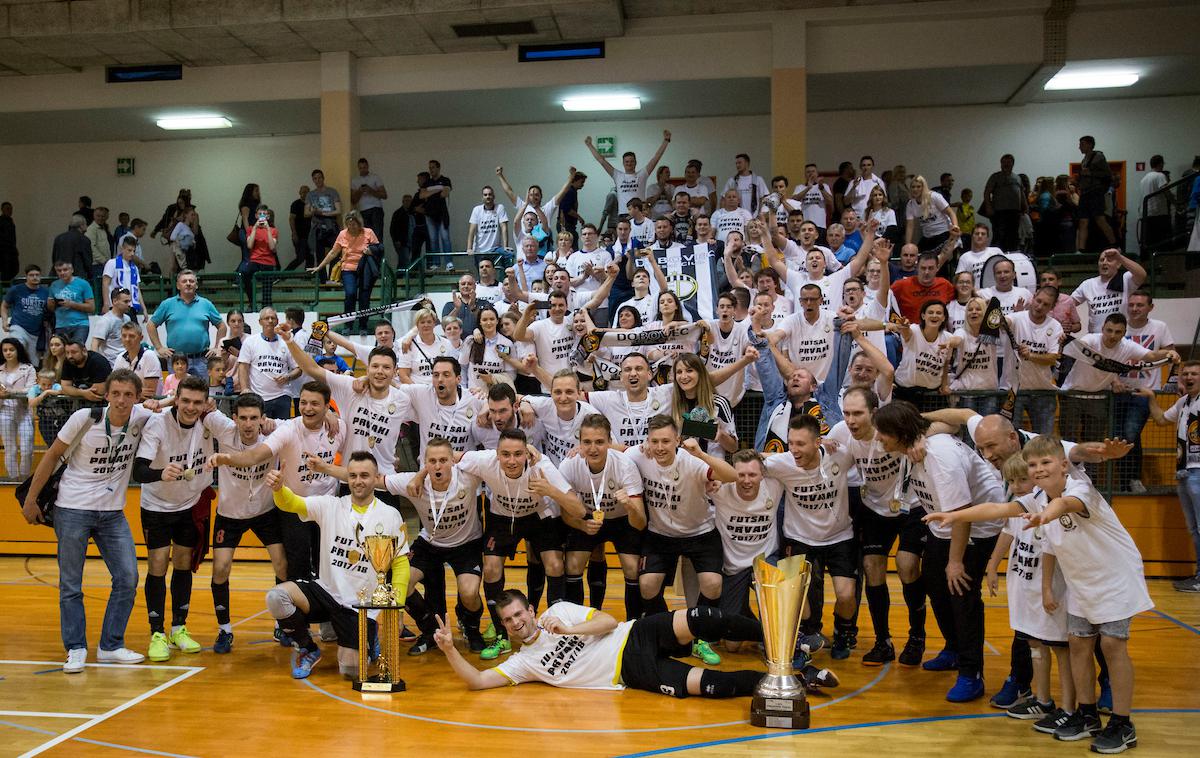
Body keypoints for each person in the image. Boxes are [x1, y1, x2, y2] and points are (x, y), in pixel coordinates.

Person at [925, 436, 1152, 753]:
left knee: (1113, 645)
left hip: (1115, 578)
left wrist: (1046, 516)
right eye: (1033, 465)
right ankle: (1086, 715)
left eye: (1046, 463)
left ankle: (1122, 724)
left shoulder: (1078, 489)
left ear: (1063, 465)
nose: (1039, 469)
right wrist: (954, 517)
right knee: (1078, 645)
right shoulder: (1035, 499)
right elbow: (998, 508)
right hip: (1081, 582)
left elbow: (1064, 506)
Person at [873, 401, 1006, 703]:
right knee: (934, 583)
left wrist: (956, 562)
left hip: (976, 527)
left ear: (900, 432)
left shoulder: (939, 458)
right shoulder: (915, 441)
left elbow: (962, 513)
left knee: (961, 595)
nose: (878, 438)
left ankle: (972, 673)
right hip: (944, 526)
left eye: (883, 433)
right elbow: (945, 424)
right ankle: (954, 648)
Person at [20, 369, 151, 671]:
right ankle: (76, 647)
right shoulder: (85, 419)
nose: (121, 400)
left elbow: (175, 407)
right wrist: (30, 500)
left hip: (112, 512)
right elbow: (52, 457)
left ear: (137, 397)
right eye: (115, 393)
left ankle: (111, 644)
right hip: (73, 508)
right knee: (71, 584)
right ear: (106, 395)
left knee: (128, 578)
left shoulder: (142, 418)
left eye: (128, 394)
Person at [433, 587, 764, 698]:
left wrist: (567, 629)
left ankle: (772, 634)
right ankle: (790, 683)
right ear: (503, 625)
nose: (517, 622)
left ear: (531, 610)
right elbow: (477, 681)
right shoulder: (523, 663)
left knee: (704, 618)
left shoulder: (560, 611)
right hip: (632, 670)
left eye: (520, 613)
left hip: (635, 633)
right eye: (508, 620)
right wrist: (449, 648)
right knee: (711, 686)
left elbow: (608, 622)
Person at [264, 452, 409, 679]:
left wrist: (396, 608)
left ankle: (368, 641)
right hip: (327, 592)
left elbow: (400, 564)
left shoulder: (390, 515)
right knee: (276, 597)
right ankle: (308, 648)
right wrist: (279, 489)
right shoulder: (330, 505)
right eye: (352, 476)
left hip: (359, 605)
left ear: (376, 478)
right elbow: (291, 503)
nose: (358, 481)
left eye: (364, 475)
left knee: (350, 672)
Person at [458, 428, 582, 660]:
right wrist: (421, 473)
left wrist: (551, 491)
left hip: (538, 516)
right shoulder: (483, 460)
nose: (512, 460)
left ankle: (556, 632)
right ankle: (502, 636)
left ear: (527, 453)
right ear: (496, 454)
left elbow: (579, 509)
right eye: (506, 454)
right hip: (502, 517)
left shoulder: (541, 465)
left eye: (518, 454)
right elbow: (449, 456)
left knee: (555, 565)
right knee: (491, 567)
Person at [209, 380, 344, 590]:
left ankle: (323, 618)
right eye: (304, 403)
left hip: (323, 507)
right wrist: (225, 458)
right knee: (295, 569)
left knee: (325, 566)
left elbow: (354, 461)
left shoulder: (337, 427)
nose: (308, 408)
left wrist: (330, 414)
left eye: (316, 404)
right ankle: (293, 621)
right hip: (290, 506)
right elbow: (253, 455)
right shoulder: (286, 429)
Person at [627, 415, 737, 665]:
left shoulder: (692, 461)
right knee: (647, 586)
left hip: (700, 532)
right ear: (647, 441)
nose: (660, 447)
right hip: (661, 534)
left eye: (666, 441)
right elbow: (613, 451)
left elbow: (731, 476)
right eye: (654, 441)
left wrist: (703, 456)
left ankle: (701, 639)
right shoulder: (639, 455)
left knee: (712, 584)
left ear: (677, 439)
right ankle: (669, 632)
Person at [132, 375, 221, 662]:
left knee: (183, 565)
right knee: (158, 565)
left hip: (189, 504)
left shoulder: (209, 423)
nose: (191, 407)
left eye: (197, 402)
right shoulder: (158, 424)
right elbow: (139, 471)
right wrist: (161, 473)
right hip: (156, 505)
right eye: (185, 401)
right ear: (176, 398)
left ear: (205, 402)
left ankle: (179, 628)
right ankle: (156, 632)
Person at [379, 438, 487, 653]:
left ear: (453, 461)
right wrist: (325, 469)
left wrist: (530, 449)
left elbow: (497, 457)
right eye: (433, 461)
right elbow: (371, 479)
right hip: (430, 543)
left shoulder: (468, 477)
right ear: (425, 464)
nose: (438, 466)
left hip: (467, 543)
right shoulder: (413, 482)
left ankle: (471, 628)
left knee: (468, 592)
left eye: (443, 460)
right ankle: (430, 630)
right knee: (399, 582)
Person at [765, 414, 859, 659]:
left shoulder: (841, 455)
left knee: (847, 595)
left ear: (818, 442)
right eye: (791, 443)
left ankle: (842, 631)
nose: (794, 450)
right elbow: (752, 464)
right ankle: (806, 636)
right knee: (797, 597)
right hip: (799, 538)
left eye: (800, 444)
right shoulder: (782, 463)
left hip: (839, 536)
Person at [205, 393, 288, 653]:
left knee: (282, 564)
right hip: (229, 513)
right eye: (243, 418)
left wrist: (330, 415)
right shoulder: (223, 428)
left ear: (263, 419)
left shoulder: (275, 433)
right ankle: (224, 629)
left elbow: (308, 421)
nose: (249, 424)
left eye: (254, 418)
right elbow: (198, 403)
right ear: (234, 419)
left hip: (265, 511)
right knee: (221, 568)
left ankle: (282, 624)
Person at [558, 413, 646, 616]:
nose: (593, 448)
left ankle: (632, 624)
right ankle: (578, 620)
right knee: (572, 564)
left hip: (622, 519)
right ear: (579, 443)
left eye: (599, 442)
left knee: (632, 568)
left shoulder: (625, 465)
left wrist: (630, 507)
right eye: (587, 442)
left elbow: (640, 523)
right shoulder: (569, 465)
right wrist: (581, 525)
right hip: (588, 518)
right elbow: (564, 512)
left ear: (609, 442)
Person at [1141, 360, 1200, 592]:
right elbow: (1161, 420)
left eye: (1194, 373)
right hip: (1184, 471)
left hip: (1198, 471)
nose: (1188, 377)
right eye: (1185, 373)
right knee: (1194, 528)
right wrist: (1150, 398)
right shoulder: (1184, 402)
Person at [1114, 290, 1174, 493]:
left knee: (1131, 433)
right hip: (1118, 390)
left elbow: (1170, 354)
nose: (1134, 309)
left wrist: (1171, 382)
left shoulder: (1159, 327)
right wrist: (1113, 379)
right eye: (1131, 305)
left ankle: (1133, 478)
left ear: (1150, 307)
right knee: (1119, 437)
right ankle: (1126, 481)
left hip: (1145, 392)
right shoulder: (1120, 327)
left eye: (1139, 305)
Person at [311, 210, 381, 335]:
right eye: (349, 224)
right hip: (348, 269)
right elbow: (333, 252)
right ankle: (348, 325)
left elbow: (379, 248)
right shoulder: (342, 234)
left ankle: (363, 326)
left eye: (354, 224)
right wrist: (319, 267)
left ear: (359, 223)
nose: (352, 227)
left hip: (365, 270)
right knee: (350, 294)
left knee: (364, 298)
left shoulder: (368, 232)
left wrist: (371, 250)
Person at [146, 269, 227, 378]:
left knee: (201, 392)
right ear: (178, 285)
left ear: (196, 285)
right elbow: (151, 325)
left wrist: (217, 348)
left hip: (201, 360)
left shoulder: (206, 304)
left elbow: (222, 326)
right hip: (177, 361)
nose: (188, 284)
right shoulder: (167, 304)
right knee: (177, 392)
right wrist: (159, 348)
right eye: (184, 281)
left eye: (191, 281)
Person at [237, 307, 301, 419]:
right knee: (261, 433)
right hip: (259, 397)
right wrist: (244, 389)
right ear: (260, 322)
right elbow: (243, 366)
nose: (270, 321)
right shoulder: (251, 342)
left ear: (277, 321)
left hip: (283, 396)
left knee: (281, 433)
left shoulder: (286, 342)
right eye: (267, 318)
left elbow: (299, 369)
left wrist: (288, 377)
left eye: (273, 318)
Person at [585, 130, 671, 211]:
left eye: (631, 161)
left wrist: (666, 140)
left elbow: (656, 158)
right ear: (623, 163)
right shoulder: (617, 175)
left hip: (639, 213)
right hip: (623, 214)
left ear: (635, 162)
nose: (629, 163)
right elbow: (602, 160)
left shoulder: (642, 175)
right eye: (626, 162)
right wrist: (590, 145)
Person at [890, 243, 957, 324]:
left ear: (937, 268)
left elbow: (962, 297)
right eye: (923, 268)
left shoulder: (945, 285)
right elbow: (884, 300)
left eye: (931, 268)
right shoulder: (901, 285)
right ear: (917, 267)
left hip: (938, 332)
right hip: (909, 332)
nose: (926, 272)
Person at [0, 337, 36, 478]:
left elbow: (31, 389)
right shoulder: (0, 370)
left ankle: (25, 477)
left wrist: (11, 393)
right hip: (4, 412)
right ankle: (13, 479)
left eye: (11, 349)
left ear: (18, 350)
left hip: (24, 412)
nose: (8, 353)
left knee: (27, 448)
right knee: (10, 448)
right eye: (5, 350)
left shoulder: (28, 368)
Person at [2, 264, 48, 365]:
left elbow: (49, 310)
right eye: (31, 275)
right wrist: (4, 321)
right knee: (16, 348)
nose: (35, 277)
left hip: (36, 331)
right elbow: (4, 305)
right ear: (26, 276)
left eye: (37, 275)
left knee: (33, 363)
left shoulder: (45, 292)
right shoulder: (16, 289)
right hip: (18, 326)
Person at [1076, 135, 1116, 251]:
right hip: (1085, 192)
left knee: (1099, 219)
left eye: (1082, 144)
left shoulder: (1098, 156)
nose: (1079, 147)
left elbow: (1107, 175)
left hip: (1095, 192)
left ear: (1090, 144)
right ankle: (1081, 249)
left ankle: (1114, 244)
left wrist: (1090, 173)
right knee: (1083, 221)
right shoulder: (1084, 160)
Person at [983, 154, 1028, 251]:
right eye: (1004, 162)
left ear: (1013, 164)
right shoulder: (995, 177)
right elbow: (987, 192)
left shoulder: (1017, 178)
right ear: (1001, 164)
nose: (1006, 164)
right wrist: (988, 207)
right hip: (1000, 212)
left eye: (1009, 162)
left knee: (1013, 236)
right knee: (999, 236)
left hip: (1014, 212)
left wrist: (1025, 206)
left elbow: (1021, 192)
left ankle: (1011, 256)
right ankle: (996, 256)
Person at [47, 259, 94, 346]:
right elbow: (51, 308)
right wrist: (51, 303)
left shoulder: (83, 284)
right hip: (61, 324)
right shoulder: (54, 285)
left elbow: (91, 307)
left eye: (65, 270)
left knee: (76, 349)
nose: (62, 273)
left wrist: (72, 304)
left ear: (72, 270)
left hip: (80, 324)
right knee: (61, 352)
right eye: (59, 271)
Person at [906, 175, 958, 252]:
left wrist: (955, 227)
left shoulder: (934, 197)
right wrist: (907, 245)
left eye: (918, 187)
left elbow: (950, 212)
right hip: (927, 236)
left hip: (943, 233)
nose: (915, 189)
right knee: (919, 256)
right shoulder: (910, 204)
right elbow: (910, 226)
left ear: (923, 188)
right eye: (913, 187)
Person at [305, 169, 342, 272]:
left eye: (319, 177)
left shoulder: (332, 191)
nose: (318, 180)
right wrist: (313, 211)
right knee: (320, 255)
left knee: (336, 252)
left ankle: (333, 278)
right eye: (315, 178)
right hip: (318, 228)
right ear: (313, 180)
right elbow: (306, 213)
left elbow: (338, 210)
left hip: (332, 226)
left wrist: (322, 213)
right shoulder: (310, 195)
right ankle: (322, 281)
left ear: (323, 178)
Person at [242, 204, 279, 308]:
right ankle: (252, 302)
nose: (262, 216)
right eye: (260, 214)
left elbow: (272, 247)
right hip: (255, 260)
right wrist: (255, 228)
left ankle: (266, 307)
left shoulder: (273, 230)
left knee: (267, 288)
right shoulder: (250, 229)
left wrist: (267, 229)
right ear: (256, 216)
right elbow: (249, 245)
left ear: (268, 217)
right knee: (245, 274)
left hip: (268, 261)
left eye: (265, 214)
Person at [112, 321, 161, 400]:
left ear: (141, 338)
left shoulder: (149, 356)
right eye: (124, 336)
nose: (127, 339)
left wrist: (124, 391)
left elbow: (149, 393)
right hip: (127, 402)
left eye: (131, 336)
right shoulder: (120, 357)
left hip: (148, 404)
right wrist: (136, 392)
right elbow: (114, 386)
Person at [424, 159, 454, 269]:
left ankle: (449, 262)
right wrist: (437, 190)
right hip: (430, 215)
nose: (431, 170)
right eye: (429, 168)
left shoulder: (445, 180)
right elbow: (422, 195)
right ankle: (436, 263)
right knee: (433, 240)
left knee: (445, 238)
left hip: (442, 214)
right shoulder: (427, 182)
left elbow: (445, 193)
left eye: (433, 167)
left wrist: (430, 192)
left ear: (438, 168)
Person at [102, 236, 143, 315]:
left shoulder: (134, 268)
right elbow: (105, 283)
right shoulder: (112, 263)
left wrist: (143, 308)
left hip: (130, 306)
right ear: (122, 249)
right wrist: (106, 303)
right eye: (129, 250)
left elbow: (137, 289)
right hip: (115, 305)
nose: (132, 253)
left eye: (134, 251)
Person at [91, 287, 132, 364]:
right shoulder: (105, 321)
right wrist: (97, 364)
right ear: (115, 301)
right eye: (126, 302)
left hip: (126, 361)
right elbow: (94, 344)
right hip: (110, 363)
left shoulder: (127, 319)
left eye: (130, 301)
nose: (129, 304)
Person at [1139, 155, 1172, 252]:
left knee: (1148, 242)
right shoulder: (1160, 176)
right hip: (1158, 213)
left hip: (1145, 214)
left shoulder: (1144, 179)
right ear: (1161, 163)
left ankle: (1148, 264)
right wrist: (1176, 203)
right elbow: (1166, 191)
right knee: (1161, 242)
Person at [465, 186, 509, 259]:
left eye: (490, 194)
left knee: (509, 254)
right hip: (480, 251)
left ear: (494, 196)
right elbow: (471, 231)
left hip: (495, 249)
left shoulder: (500, 208)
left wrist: (505, 246)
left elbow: (504, 228)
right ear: (482, 197)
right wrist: (469, 248)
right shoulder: (477, 210)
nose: (488, 196)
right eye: (485, 195)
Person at [350, 157, 388, 240]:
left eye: (364, 167)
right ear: (358, 168)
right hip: (363, 211)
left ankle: (377, 252)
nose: (363, 170)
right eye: (360, 168)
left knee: (377, 236)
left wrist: (371, 190)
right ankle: (369, 252)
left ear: (368, 167)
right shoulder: (355, 181)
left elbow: (384, 195)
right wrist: (359, 191)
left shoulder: (375, 177)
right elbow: (353, 201)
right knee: (366, 237)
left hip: (376, 209)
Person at [286, 185, 313, 271]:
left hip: (310, 236)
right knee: (300, 258)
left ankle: (307, 278)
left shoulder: (311, 205)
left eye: (307, 192)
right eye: (303, 192)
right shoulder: (296, 204)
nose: (305, 194)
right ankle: (283, 275)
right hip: (299, 235)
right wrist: (294, 233)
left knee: (310, 257)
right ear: (300, 193)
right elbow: (291, 219)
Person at [84, 206, 113, 280]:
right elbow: (91, 247)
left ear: (107, 217)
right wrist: (104, 260)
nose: (100, 218)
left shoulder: (104, 228)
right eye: (98, 216)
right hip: (97, 265)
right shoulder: (91, 229)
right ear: (94, 216)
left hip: (105, 264)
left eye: (103, 216)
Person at [0, 201, 17, 282]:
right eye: (7, 209)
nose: (9, 211)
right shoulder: (1, 221)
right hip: (4, 252)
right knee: (6, 272)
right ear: (2, 210)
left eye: (11, 209)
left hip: (11, 251)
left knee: (13, 270)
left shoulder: (10, 221)